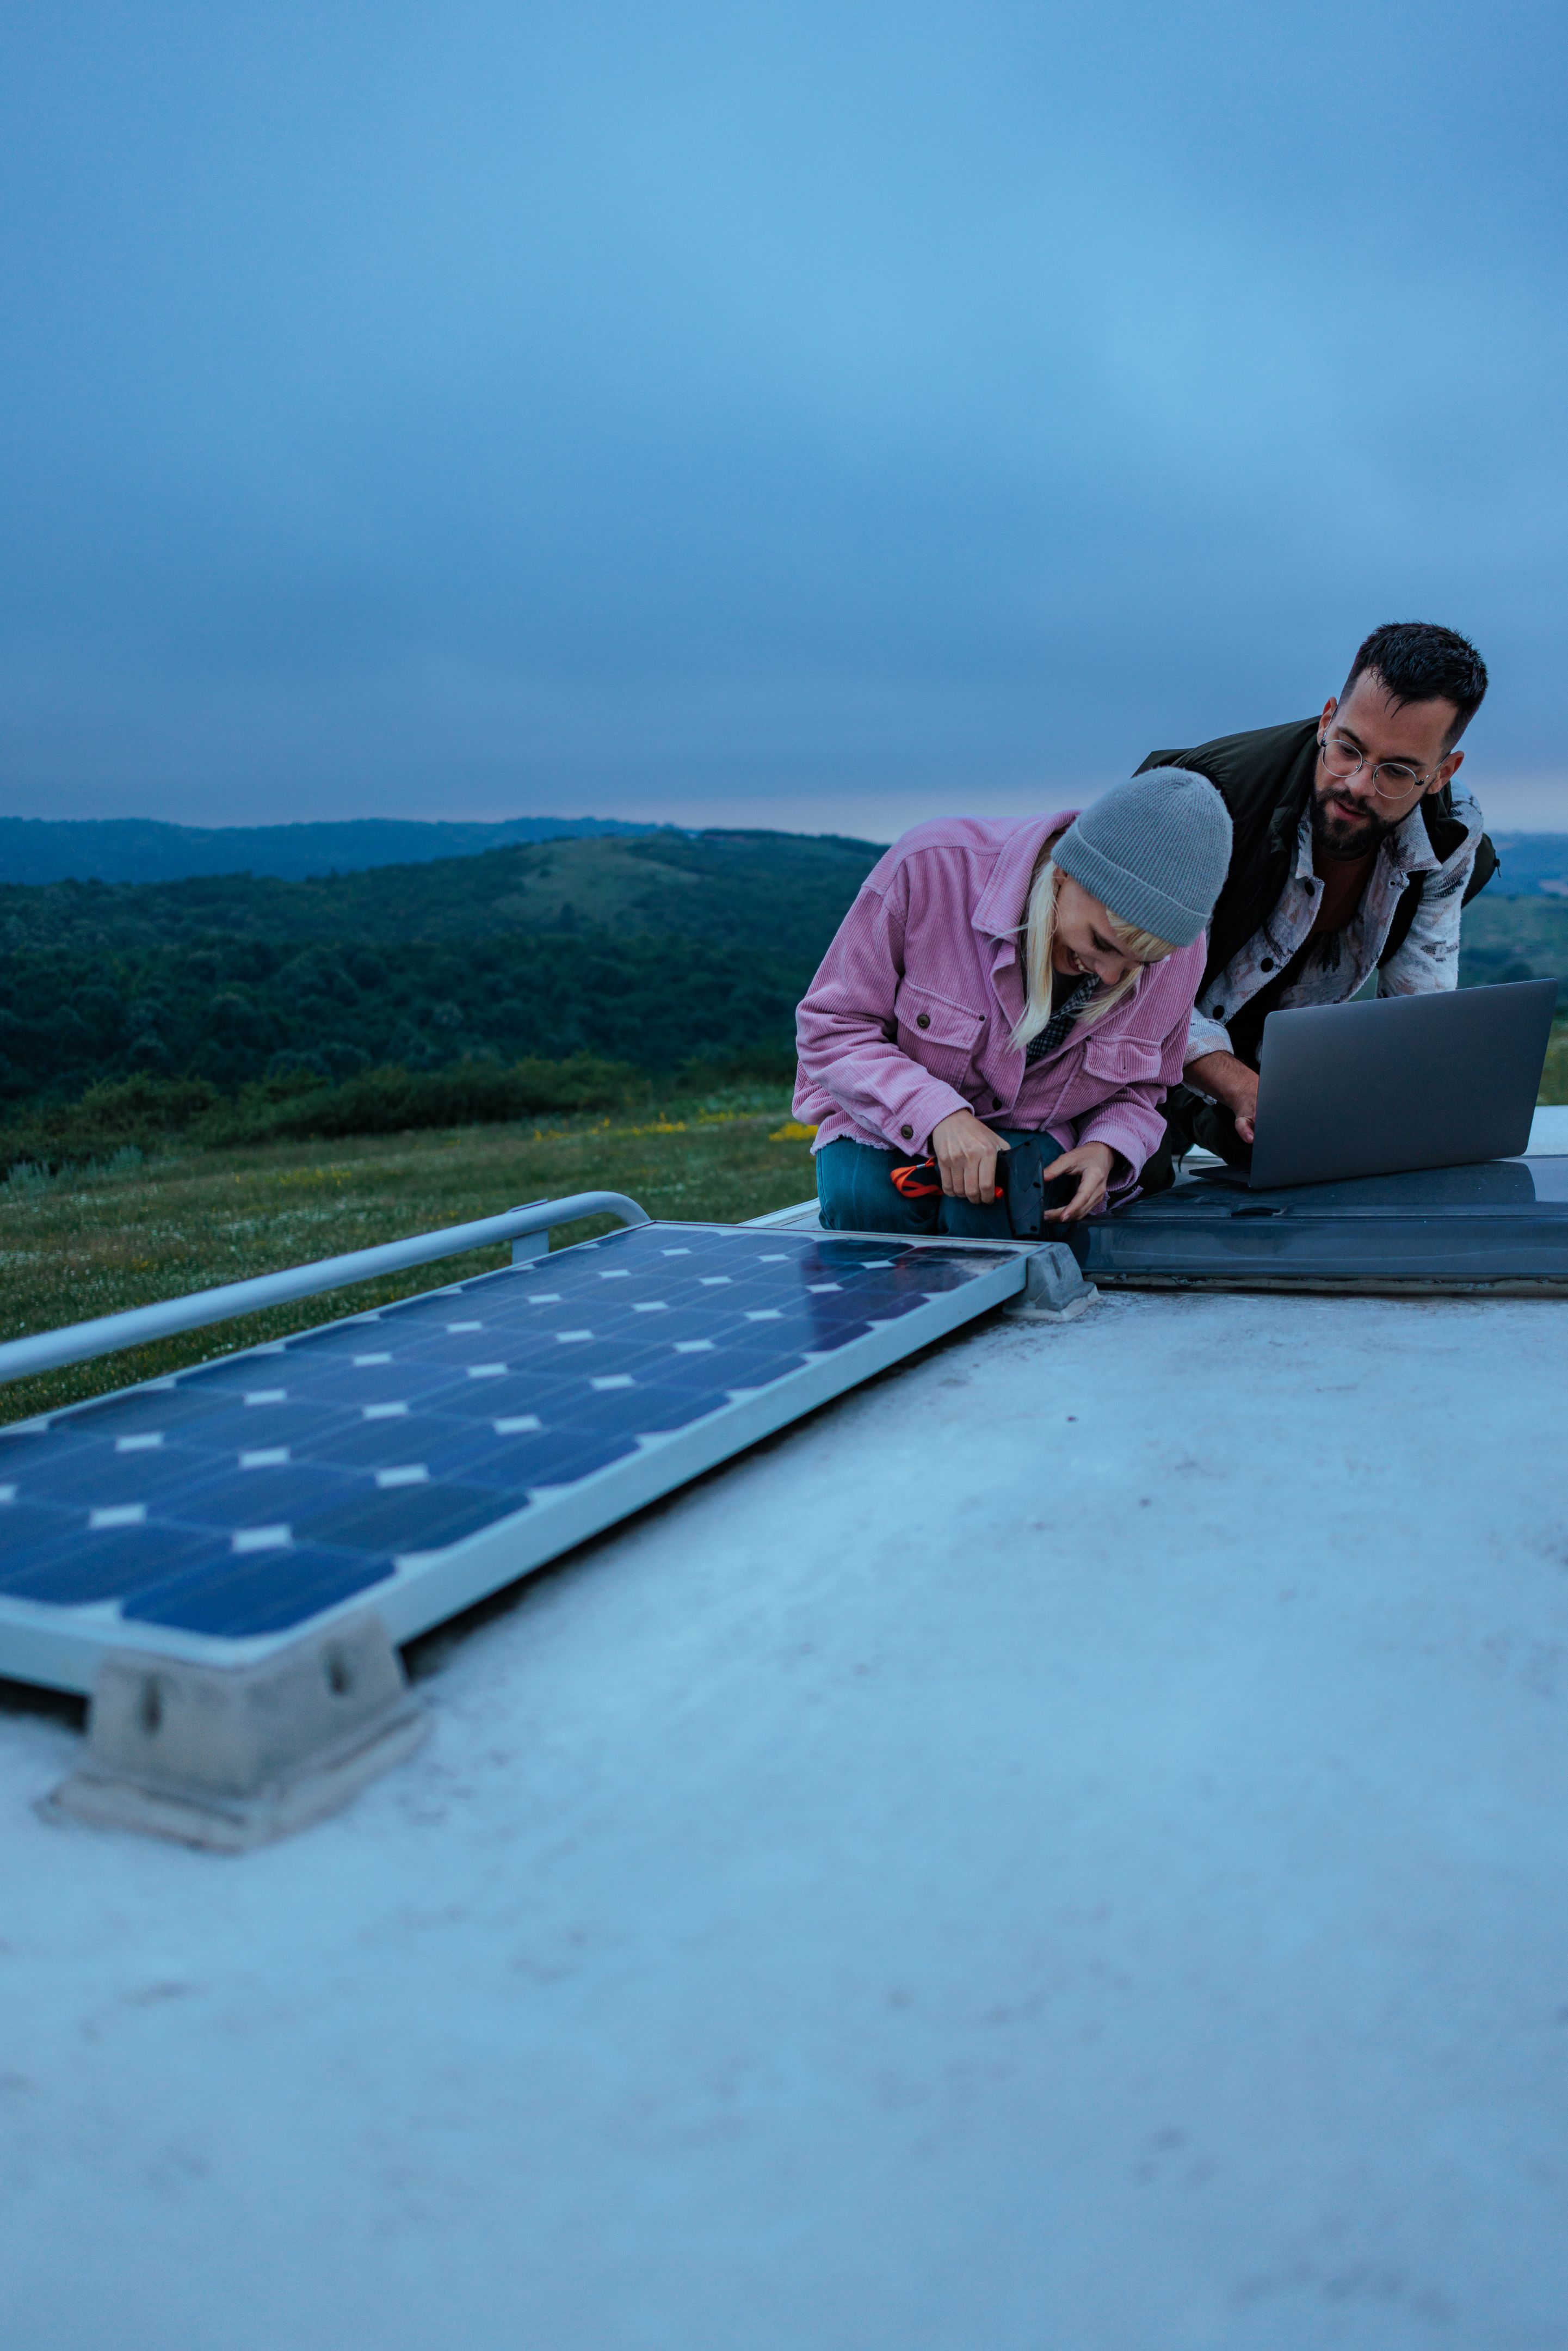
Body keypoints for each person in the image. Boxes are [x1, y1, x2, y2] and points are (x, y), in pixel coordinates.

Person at [794, 767, 1232, 1237]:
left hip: (1041, 1136)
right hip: (887, 1117)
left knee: (998, 1220)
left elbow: (1144, 1089)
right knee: (868, 1206)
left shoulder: (1180, 954)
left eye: (1137, 965)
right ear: (1064, 871)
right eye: (1102, 944)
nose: (1110, 975)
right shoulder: (930, 867)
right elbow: (833, 1027)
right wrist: (937, 1115)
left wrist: (1107, 1148)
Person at [1137, 620, 1496, 1184]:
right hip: (1120, 1054)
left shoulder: (1450, 835)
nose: (1356, 784)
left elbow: (1415, 1009)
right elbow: (1137, 990)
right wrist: (1243, 1088)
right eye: (1348, 749)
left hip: (1271, 1069)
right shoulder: (1209, 801)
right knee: (1128, 1192)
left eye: (1396, 771)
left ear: (1441, 774)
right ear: (1327, 717)